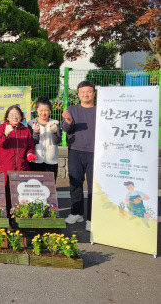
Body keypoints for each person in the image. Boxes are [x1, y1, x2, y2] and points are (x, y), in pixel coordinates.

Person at [61, 80, 97, 231]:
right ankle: (76, 213)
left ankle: (91, 218)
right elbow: (65, 128)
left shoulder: (101, 110)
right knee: (75, 183)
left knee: (93, 186)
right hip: (75, 150)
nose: (86, 94)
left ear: (94, 93)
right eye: (82, 92)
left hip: (96, 152)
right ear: (78, 94)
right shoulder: (72, 109)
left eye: (89, 91)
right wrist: (68, 122)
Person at [0, 105, 36, 182]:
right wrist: (6, 134)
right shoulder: (1, 128)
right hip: (5, 168)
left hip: (22, 167)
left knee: (20, 190)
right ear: (7, 117)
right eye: (11, 114)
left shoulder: (26, 130)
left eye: (17, 114)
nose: (14, 116)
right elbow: (0, 144)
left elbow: (30, 146)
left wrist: (30, 154)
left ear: (21, 116)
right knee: (6, 191)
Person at [27, 97, 61, 180]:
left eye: (46, 110)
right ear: (37, 110)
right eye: (41, 110)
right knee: (36, 186)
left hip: (51, 160)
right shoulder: (31, 123)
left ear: (50, 110)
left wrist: (53, 132)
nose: (43, 113)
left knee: (50, 187)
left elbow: (57, 141)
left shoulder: (55, 123)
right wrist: (36, 132)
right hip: (36, 160)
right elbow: (32, 142)